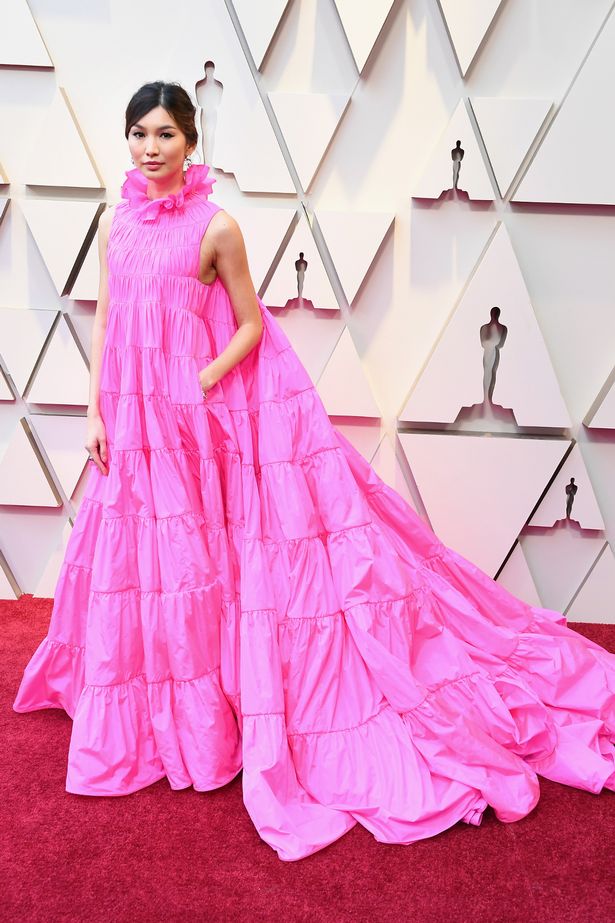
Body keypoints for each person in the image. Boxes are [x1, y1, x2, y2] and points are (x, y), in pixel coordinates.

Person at [13, 81, 615, 863]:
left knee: (205, 558)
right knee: (147, 558)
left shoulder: (216, 227)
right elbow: (108, 319)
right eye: (138, 133)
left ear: (190, 141)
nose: (149, 148)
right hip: (131, 417)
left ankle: (217, 706)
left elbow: (250, 324)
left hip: (192, 417)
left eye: (164, 133)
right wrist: (95, 409)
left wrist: (200, 380)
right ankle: (158, 708)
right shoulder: (116, 221)